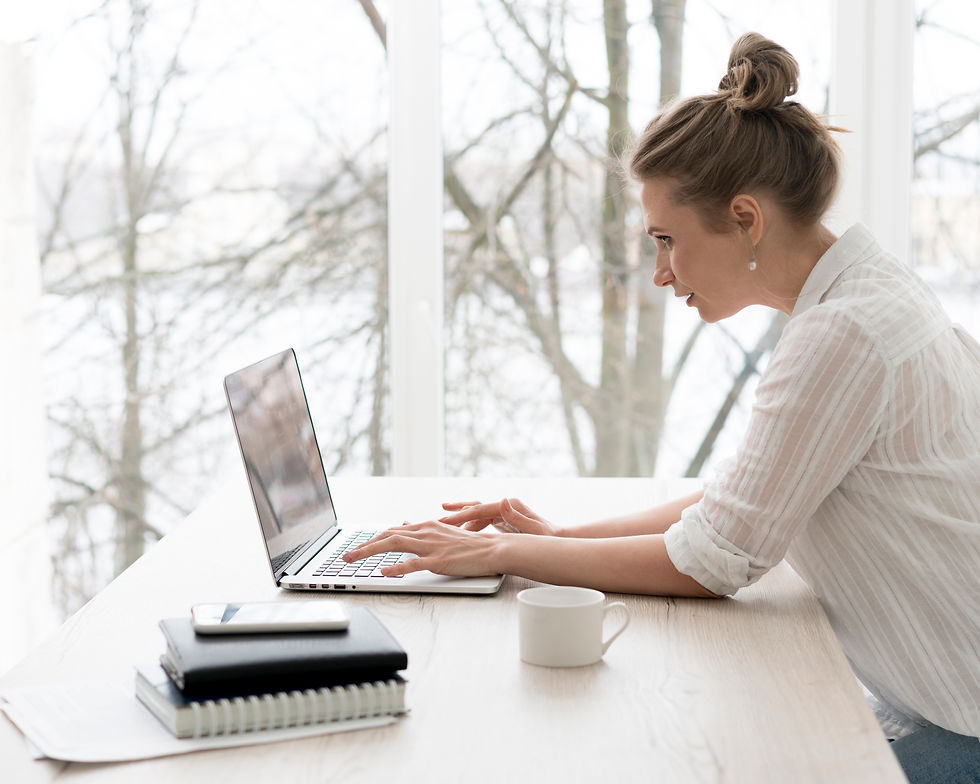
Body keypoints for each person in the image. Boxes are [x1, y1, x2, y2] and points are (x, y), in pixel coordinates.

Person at [345, 33, 980, 782]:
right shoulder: (868, 289)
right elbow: (744, 504)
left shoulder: (842, 334)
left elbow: (714, 560)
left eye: (668, 240)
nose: (658, 272)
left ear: (745, 218)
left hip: (960, 728)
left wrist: (503, 553)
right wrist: (565, 540)